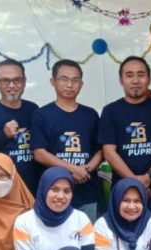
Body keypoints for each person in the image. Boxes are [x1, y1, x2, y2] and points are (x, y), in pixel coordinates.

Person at [99, 56, 151, 218]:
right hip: (122, 191)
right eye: (129, 75)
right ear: (121, 80)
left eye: (141, 75)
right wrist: (135, 182)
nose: (135, 80)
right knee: (123, 232)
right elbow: (109, 152)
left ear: (149, 79)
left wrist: (148, 178)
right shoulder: (110, 111)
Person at [31, 59, 101, 220]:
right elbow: (39, 153)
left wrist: (85, 171)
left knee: (86, 233)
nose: (70, 85)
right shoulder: (41, 114)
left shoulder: (91, 114)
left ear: (81, 84)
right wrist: (72, 169)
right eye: (64, 79)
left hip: (87, 191)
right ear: (53, 81)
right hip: (54, 192)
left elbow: (100, 150)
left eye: (75, 80)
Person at [13, 167, 94, 250]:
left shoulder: (81, 219)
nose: (60, 196)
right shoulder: (24, 222)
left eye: (66, 191)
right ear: (44, 189)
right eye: (54, 189)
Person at [0, 59, 40, 193]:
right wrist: (3, 136)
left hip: (34, 187)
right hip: (4, 188)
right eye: (5, 80)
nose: (12, 85)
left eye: (17, 80)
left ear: (24, 82)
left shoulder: (33, 109)